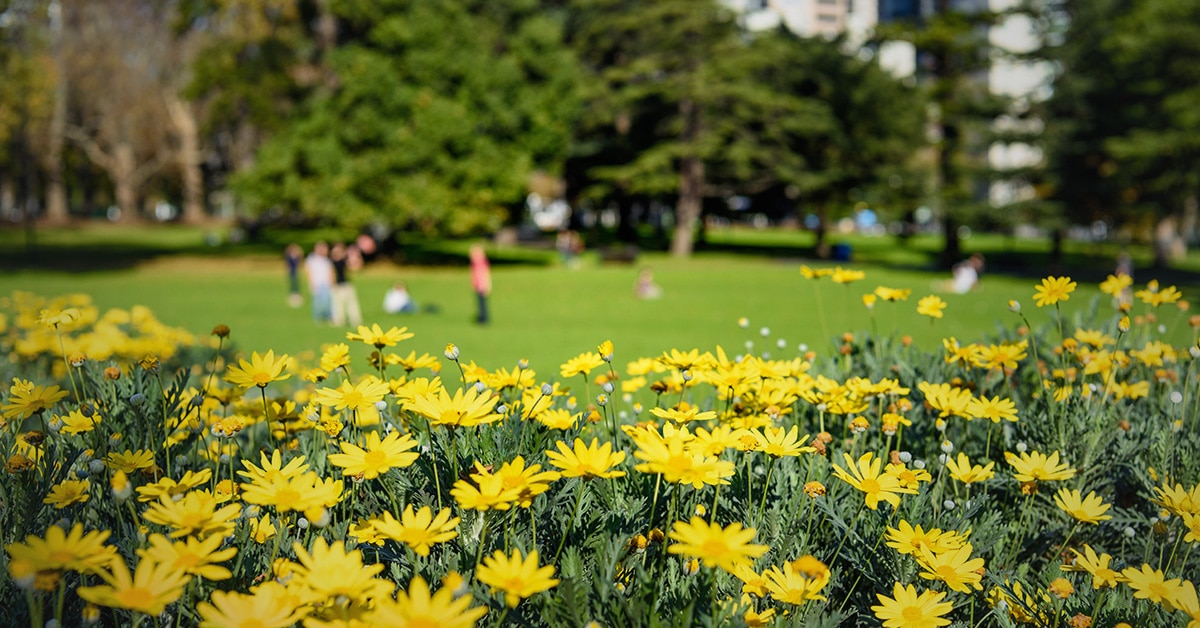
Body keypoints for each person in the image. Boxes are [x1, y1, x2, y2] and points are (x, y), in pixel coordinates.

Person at [330, 242, 364, 327]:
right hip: (337, 285)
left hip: (346, 284)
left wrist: (357, 258)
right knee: (338, 305)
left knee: (351, 304)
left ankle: (355, 320)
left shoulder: (345, 261)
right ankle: (339, 320)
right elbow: (331, 274)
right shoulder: (331, 262)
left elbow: (356, 268)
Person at [304, 241, 334, 323]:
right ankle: (318, 317)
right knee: (318, 301)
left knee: (328, 301)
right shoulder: (312, 259)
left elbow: (330, 271)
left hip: (326, 283)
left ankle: (328, 316)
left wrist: (332, 282)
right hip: (317, 283)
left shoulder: (326, 260)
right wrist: (311, 283)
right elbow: (309, 271)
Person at [469, 244, 492, 324]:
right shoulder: (475, 264)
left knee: (482, 304)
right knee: (479, 303)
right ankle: (481, 318)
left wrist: (488, 286)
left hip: (482, 286)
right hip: (477, 286)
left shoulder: (482, 263)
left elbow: (486, 275)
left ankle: (484, 319)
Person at [285, 243, 304, 308]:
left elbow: (301, 254)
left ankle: (296, 292)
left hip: (296, 271)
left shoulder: (297, 257)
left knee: (296, 283)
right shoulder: (289, 257)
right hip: (291, 272)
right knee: (292, 283)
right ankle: (292, 293)